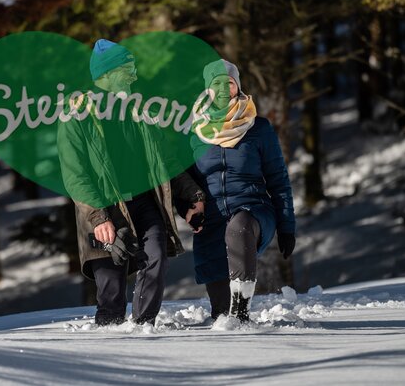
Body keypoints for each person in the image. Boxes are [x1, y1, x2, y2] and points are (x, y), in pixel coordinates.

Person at [57, 38, 205, 326]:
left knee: (156, 258)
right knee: (111, 288)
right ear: (108, 73)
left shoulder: (141, 111)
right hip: (102, 208)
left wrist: (190, 198)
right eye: (128, 69)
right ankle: (108, 342)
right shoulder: (77, 116)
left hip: (144, 202)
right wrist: (99, 217)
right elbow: (75, 175)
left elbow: (165, 162)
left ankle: (143, 326)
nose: (134, 75)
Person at [185, 58, 297, 322]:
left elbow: (278, 179)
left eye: (230, 83)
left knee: (240, 225)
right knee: (220, 314)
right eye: (218, 84)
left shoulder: (259, 128)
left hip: (253, 210)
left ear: (238, 87)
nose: (225, 89)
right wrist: (190, 208)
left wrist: (287, 226)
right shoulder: (194, 133)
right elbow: (185, 183)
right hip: (211, 219)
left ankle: (242, 311)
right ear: (207, 90)